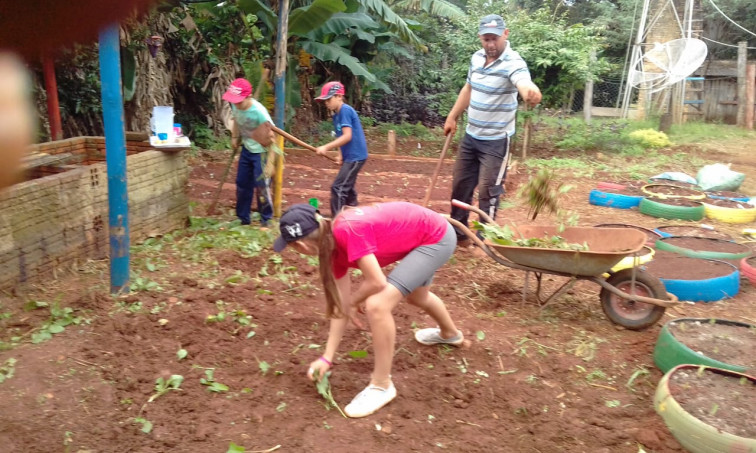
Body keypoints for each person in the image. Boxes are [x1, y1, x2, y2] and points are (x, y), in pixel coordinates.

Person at [273, 202, 464, 418]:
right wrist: (327, 357)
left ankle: (381, 385)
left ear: (300, 246)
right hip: (422, 234)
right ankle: (450, 334)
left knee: (377, 305)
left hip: (436, 236)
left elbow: (376, 282)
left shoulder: (347, 230)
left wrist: (355, 302)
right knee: (417, 297)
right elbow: (340, 306)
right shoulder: (330, 248)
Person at [444, 14, 542, 245]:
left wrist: (530, 92)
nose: (490, 44)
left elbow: (522, 82)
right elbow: (468, 88)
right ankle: (458, 234)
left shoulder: (514, 62)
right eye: (486, 39)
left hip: (496, 141)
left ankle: (485, 239)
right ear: (480, 37)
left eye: (494, 39)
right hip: (471, 136)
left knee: (489, 190)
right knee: (461, 185)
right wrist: (452, 116)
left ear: (505, 34)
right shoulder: (476, 58)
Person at [223, 78, 275, 227]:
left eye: (240, 101)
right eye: (235, 101)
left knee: (262, 185)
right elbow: (236, 121)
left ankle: (266, 219)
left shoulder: (260, 113)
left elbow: (273, 139)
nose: (237, 104)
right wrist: (234, 136)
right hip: (247, 149)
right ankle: (243, 218)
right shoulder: (235, 105)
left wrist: (270, 163)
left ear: (249, 97)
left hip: (262, 152)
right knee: (242, 183)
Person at [314, 81, 368, 217]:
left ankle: (337, 223)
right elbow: (340, 136)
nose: (326, 103)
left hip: (356, 156)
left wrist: (326, 147)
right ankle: (355, 216)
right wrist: (340, 155)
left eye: (328, 99)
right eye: (324, 101)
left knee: (338, 188)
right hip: (350, 156)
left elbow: (347, 136)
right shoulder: (336, 115)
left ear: (339, 96)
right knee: (347, 188)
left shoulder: (345, 110)